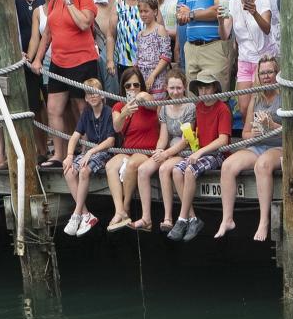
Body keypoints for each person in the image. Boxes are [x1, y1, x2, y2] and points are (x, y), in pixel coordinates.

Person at [33, 0, 97, 166]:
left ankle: (86, 152)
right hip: (58, 62)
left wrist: (69, 2)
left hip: (83, 61)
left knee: (82, 107)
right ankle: (59, 154)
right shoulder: (53, 1)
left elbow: (84, 24)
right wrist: (38, 59)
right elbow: (48, 34)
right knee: (53, 109)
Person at [214, 52, 283, 240]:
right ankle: (227, 219)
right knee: (228, 165)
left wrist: (273, 126)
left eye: (270, 72)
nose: (267, 76)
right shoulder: (256, 97)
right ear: (258, 76)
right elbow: (244, 134)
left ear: (278, 73)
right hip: (258, 145)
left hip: (281, 146)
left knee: (262, 165)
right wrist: (253, 133)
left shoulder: (286, 95)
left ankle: (263, 221)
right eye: (263, 73)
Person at [168, 71, 232, 240]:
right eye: (201, 88)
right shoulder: (198, 107)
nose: (203, 91)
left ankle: (182, 219)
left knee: (189, 170)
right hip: (199, 153)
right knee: (176, 170)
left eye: (207, 87)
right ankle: (193, 218)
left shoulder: (222, 108)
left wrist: (200, 151)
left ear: (215, 88)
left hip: (216, 155)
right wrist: (188, 136)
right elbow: (194, 133)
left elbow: (223, 140)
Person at [104, 69, 162, 229]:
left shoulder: (147, 101)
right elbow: (117, 127)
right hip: (128, 149)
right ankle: (119, 210)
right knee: (110, 166)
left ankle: (126, 206)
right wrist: (124, 113)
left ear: (141, 85)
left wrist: (140, 96)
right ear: (123, 87)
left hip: (146, 150)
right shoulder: (118, 105)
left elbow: (151, 100)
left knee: (131, 165)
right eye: (128, 85)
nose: (132, 88)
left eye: (136, 84)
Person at [61, 75, 116, 233]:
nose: (92, 96)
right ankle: (85, 213)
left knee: (84, 171)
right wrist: (70, 155)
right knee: (69, 171)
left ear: (102, 95)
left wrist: (91, 151)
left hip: (105, 152)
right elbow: (75, 136)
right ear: (85, 97)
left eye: (95, 92)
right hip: (90, 154)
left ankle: (76, 214)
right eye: (89, 93)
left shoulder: (108, 112)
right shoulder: (86, 113)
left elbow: (110, 141)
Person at [141, 67, 195, 228]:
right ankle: (146, 218)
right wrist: (159, 150)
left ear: (184, 87)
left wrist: (166, 154)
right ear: (166, 88)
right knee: (143, 169)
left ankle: (168, 217)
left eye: (178, 88)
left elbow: (186, 140)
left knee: (164, 169)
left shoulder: (190, 106)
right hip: (169, 149)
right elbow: (163, 136)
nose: (175, 92)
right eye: (172, 88)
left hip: (184, 150)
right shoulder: (164, 107)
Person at [223, 0, 279, 100]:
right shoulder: (232, 3)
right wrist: (219, 20)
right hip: (244, 60)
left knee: (261, 102)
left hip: (264, 59)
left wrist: (254, 12)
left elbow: (267, 29)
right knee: (243, 107)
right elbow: (224, 35)